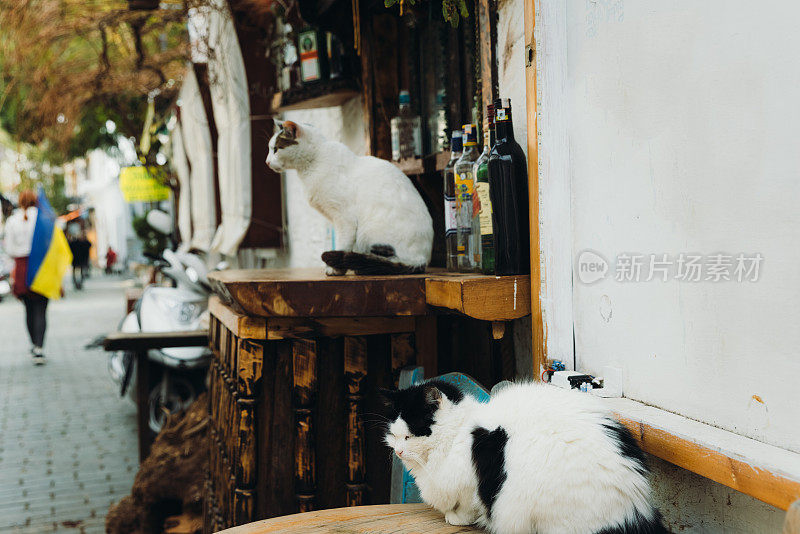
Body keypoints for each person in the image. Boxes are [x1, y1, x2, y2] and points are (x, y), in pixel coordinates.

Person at [3, 190, 48, 364]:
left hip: (22, 267)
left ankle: (34, 345)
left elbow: (10, 250)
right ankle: (39, 347)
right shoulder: (43, 219)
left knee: (29, 308)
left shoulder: (13, 221)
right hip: (41, 267)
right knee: (41, 308)